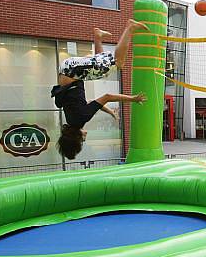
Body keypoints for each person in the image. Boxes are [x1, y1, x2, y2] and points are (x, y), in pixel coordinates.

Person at [53, 20, 149, 159]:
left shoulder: (81, 119)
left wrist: (133, 99)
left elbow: (108, 96)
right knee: (101, 70)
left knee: (118, 63)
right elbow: (93, 102)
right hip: (67, 70)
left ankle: (130, 27)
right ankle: (98, 36)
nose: (84, 139)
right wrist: (112, 113)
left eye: (82, 141)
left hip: (72, 71)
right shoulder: (72, 119)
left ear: (76, 138)